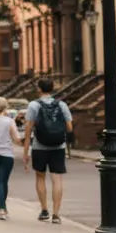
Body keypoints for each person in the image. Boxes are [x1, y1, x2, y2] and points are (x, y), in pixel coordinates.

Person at [22, 77, 73, 224]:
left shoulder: (33, 105)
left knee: (40, 177)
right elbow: (69, 127)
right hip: (58, 146)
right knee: (57, 179)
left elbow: (28, 129)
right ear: (52, 89)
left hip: (40, 147)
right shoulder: (62, 105)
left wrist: (26, 151)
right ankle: (56, 214)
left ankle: (44, 210)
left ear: (39, 89)